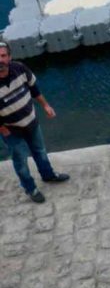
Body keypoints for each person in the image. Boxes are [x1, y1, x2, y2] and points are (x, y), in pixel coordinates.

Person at [0, 41, 69, 203]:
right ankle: (30, 189)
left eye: (3, 56)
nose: (0, 60)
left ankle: (48, 175)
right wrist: (2, 129)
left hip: (31, 122)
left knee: (40, 151)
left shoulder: (21, 69)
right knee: (21, 161)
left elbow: (34, 89)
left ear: (9, 57)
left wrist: (45, 105)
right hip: (11, 130)